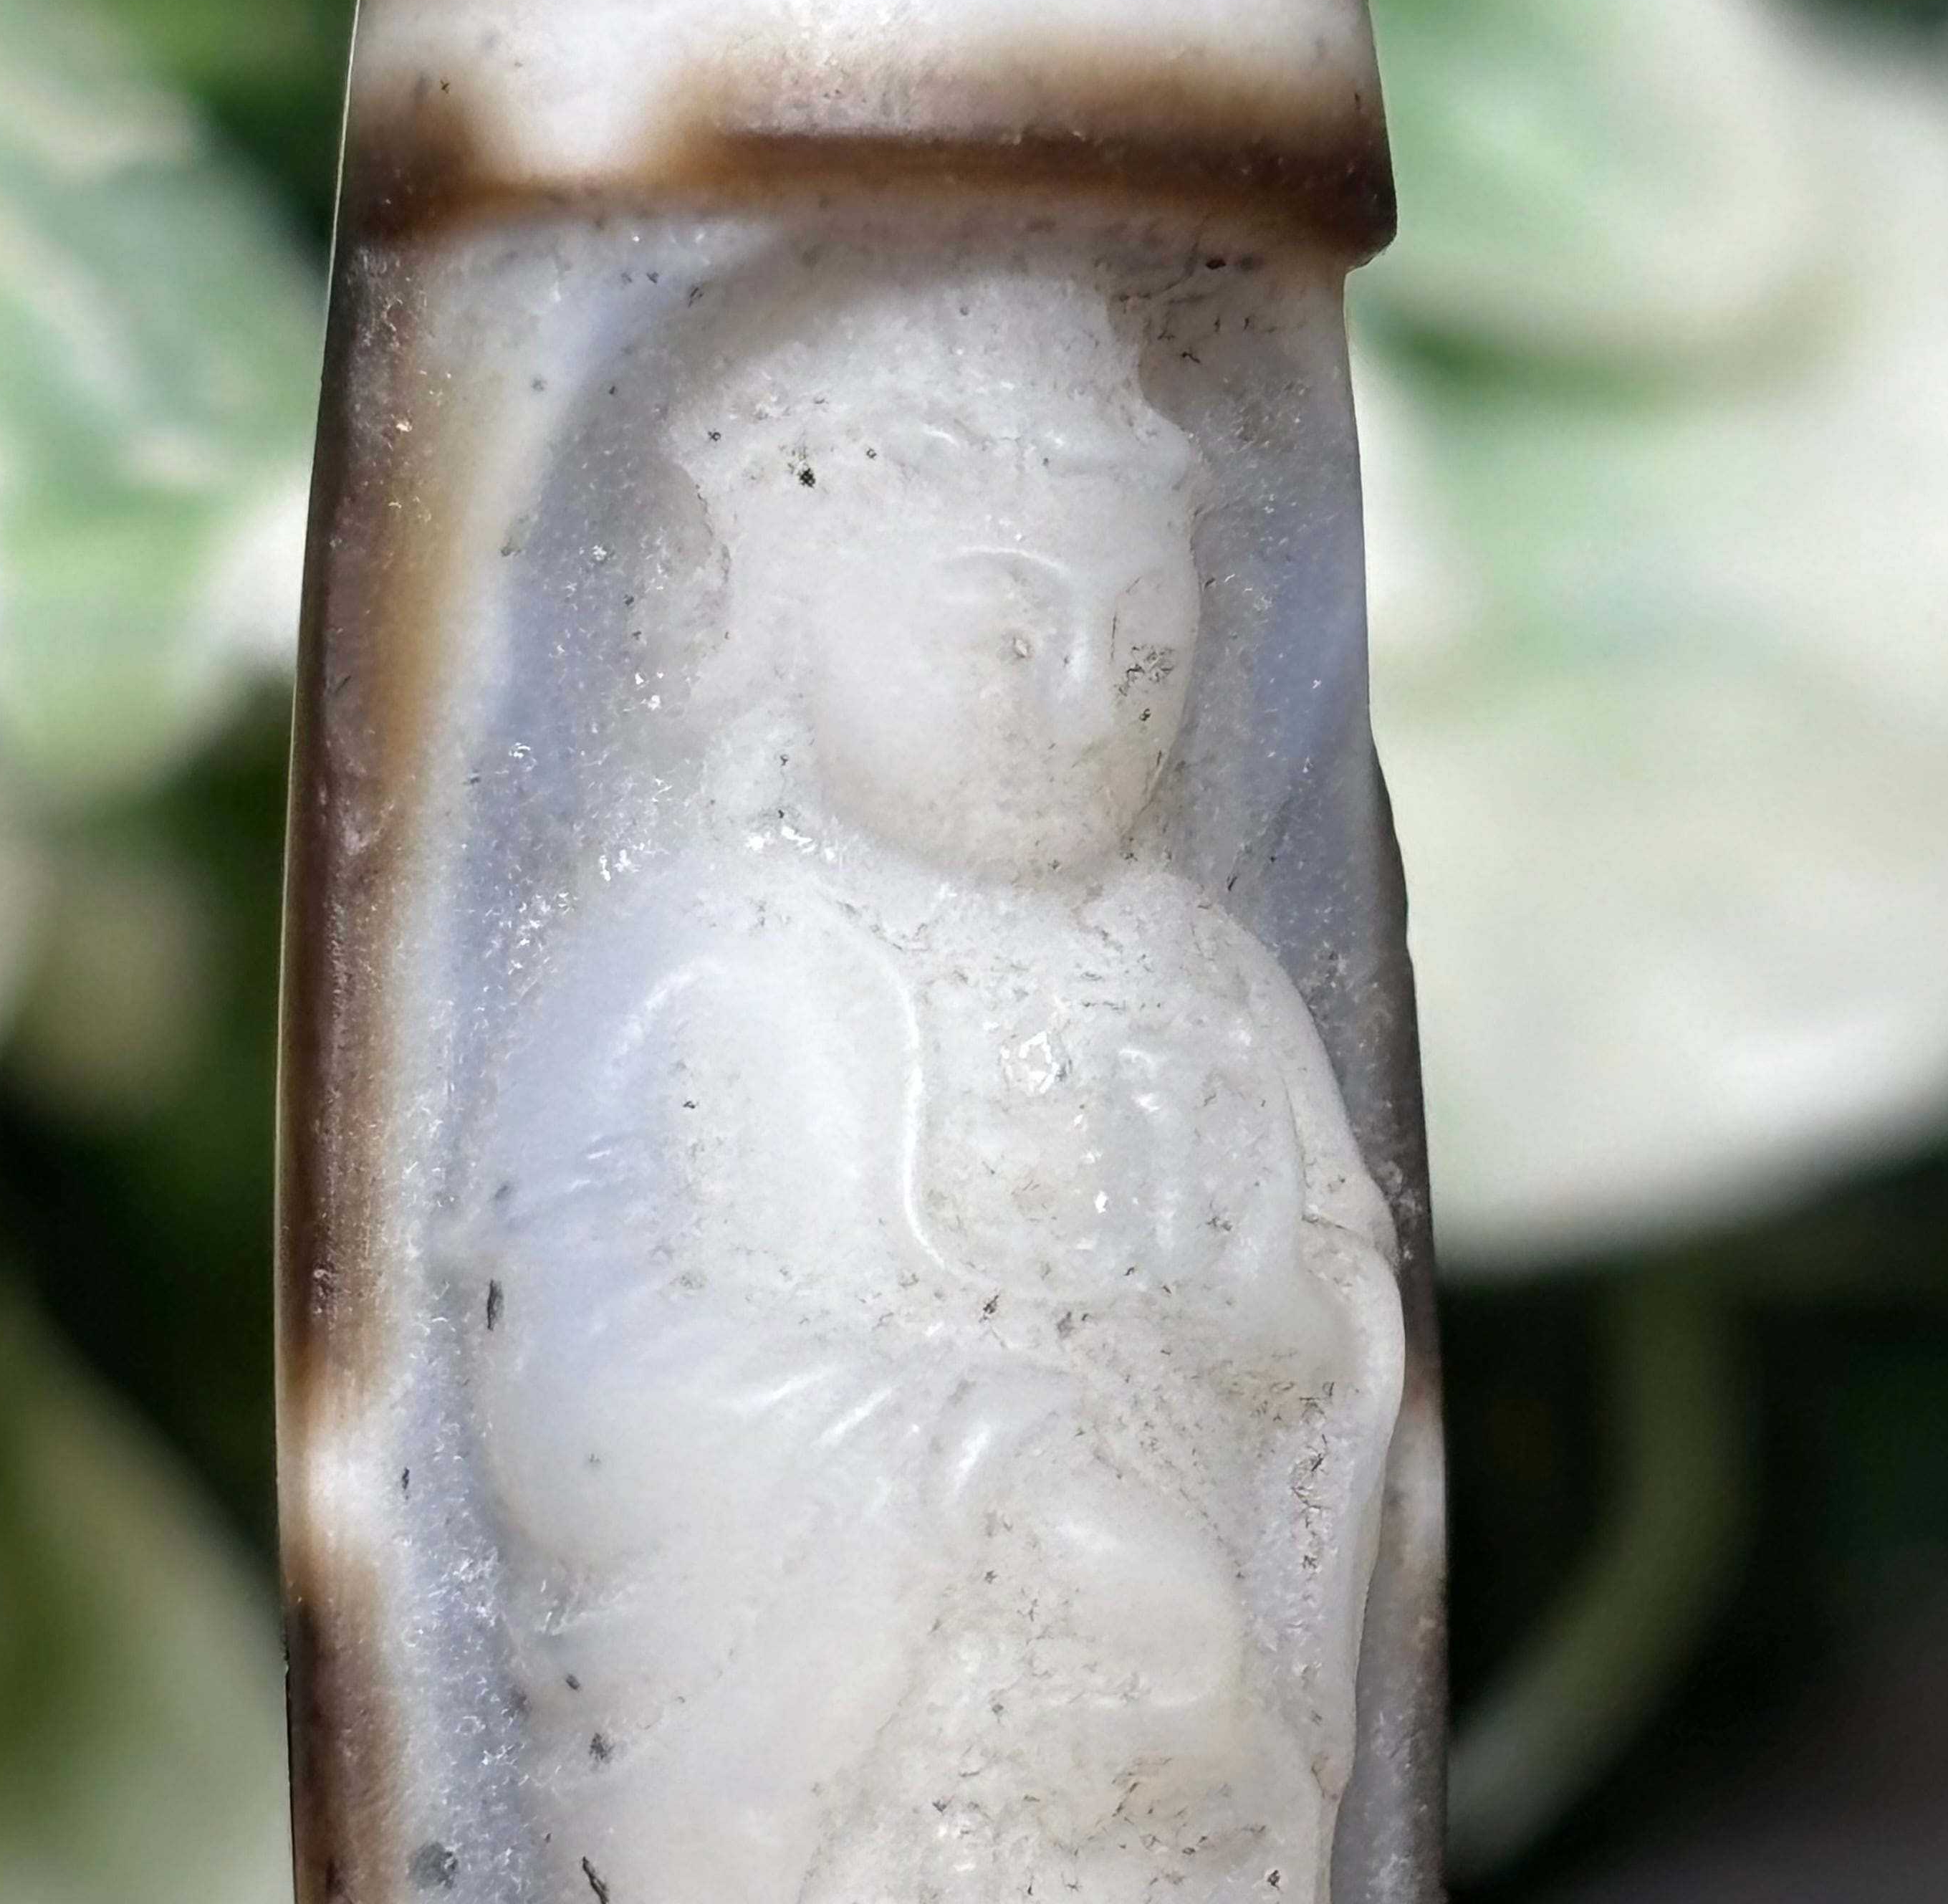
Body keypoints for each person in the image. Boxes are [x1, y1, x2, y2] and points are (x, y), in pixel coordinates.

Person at [464, 259, 1404, 1904]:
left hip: (1170, 1729)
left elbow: (1329, 1333)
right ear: (779, 631)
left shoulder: (1204, 982)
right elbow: (554, 1337)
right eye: (1004, 636)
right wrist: (956, 1456)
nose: (1082, 708)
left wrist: (1250, 1310)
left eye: (1142, 653)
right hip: (836, 1726)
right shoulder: (700, 952)